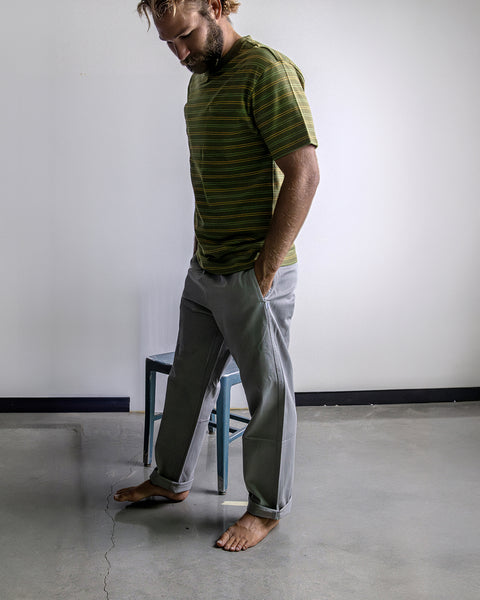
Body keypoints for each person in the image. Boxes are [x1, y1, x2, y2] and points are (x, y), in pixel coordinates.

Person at [115, 0, 319, 552]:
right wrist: (205, 257)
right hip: (206, 264)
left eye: (184, 36)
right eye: (168, 44)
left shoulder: (266, 71)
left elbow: (304, 173)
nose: (179, 53)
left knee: (268, 394)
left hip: (255, 272)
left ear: (214, 9)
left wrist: (267, 266)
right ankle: (170, 479)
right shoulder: (199, 80)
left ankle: (266, 509)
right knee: (188, 380)